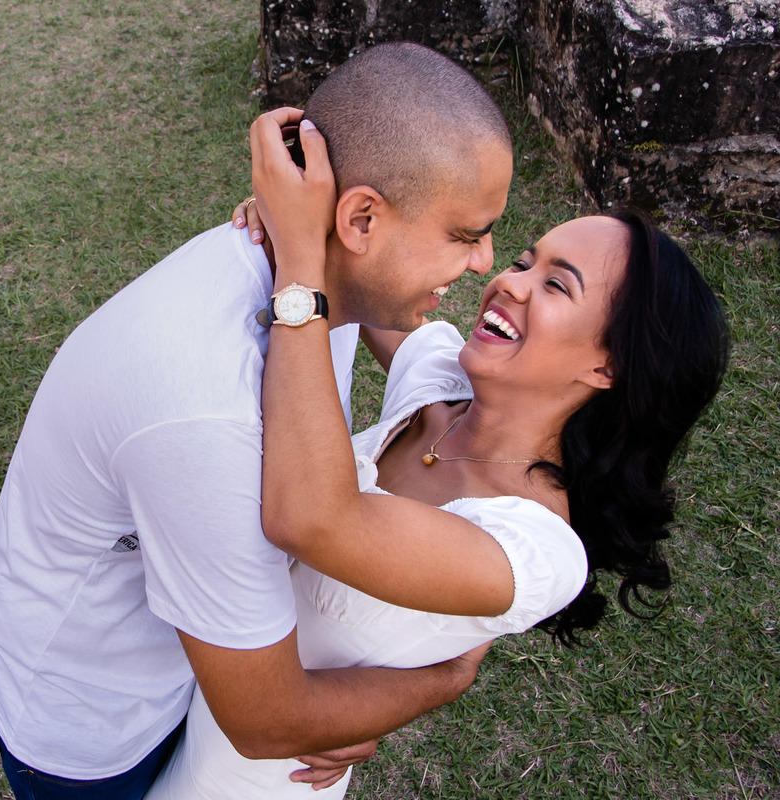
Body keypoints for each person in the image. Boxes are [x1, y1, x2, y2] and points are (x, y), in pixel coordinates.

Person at [0, 42, 514, 799]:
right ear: (358, 218)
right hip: (95, 717)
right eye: (465, 234)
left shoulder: (309, 277)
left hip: (186, 651)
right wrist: (440, 679)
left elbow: (409, 335)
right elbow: (267, 719)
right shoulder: (207, 407)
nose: (486, 260)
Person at [144, 110, 730, 799]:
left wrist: (302, 264)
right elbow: (377, 289)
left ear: (608, 367)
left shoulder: (536, 551)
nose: (509, 281)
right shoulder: (445, 383)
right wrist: (298, 225)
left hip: (252, 777)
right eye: (524, 260)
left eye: (555, 285)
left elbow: (312, 517)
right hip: (181, 682)